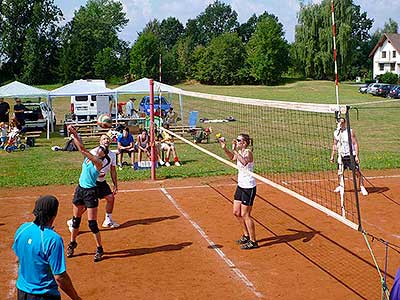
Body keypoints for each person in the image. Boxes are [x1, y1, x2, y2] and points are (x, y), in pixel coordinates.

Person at [12, 195, 81, 300]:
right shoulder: (53, 239)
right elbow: (60, 277)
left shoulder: (22, 229)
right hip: (44, 296)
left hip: (22, 293)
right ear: (55, 213)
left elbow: (18, 259)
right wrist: (76, 298)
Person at [66, 125, 107, 262]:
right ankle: (72, 243)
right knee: (76, 220)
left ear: (103, 155)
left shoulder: (98, 162)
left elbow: (82, 149)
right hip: (80, 190)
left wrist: (72, 136)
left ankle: (99, 248)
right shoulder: (89, 157)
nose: (99, 150)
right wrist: (74, 132)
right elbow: (81, 144)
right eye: (99, 148)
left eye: (102, 150)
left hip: (90, 192)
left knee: (92, 224)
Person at [67, 134, 119, 230]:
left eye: (108, 138)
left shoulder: (112, 155)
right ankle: (72, 221)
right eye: (104, 139)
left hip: (102, 182)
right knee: (87, 205)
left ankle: (108, 220)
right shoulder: (94, 152)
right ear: (100, 141)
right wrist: (96, 174)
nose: (106, 140)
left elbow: (113, 170)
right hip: (92, 182)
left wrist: (115, 184)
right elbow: (88, 167)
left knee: (110, 198)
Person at [219, 133, 258, 250]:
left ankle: (253, 241)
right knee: (236, 212)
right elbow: (232, 158)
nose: (236, 141)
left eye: (238, 140)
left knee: (246, 214)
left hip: (249, 187)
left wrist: (235, 150)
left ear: (244, 143)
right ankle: (246, 235)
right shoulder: (240, 152)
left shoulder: (248, 153)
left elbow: (245, 162)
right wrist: (225, 148)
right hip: (241, 185)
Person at [330, 117, 368, 196]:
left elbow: (355, 144)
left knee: (356, 171)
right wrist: (332, 156)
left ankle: (362, 186)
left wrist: (357, 156)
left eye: (343, 122)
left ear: (345, 123)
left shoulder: (350, 132)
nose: (341, 124)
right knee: (340, 172)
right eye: (340, 123)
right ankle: (341, 186)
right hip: (341, 155)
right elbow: (334, 144)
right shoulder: (336, 133)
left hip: (350, 155)